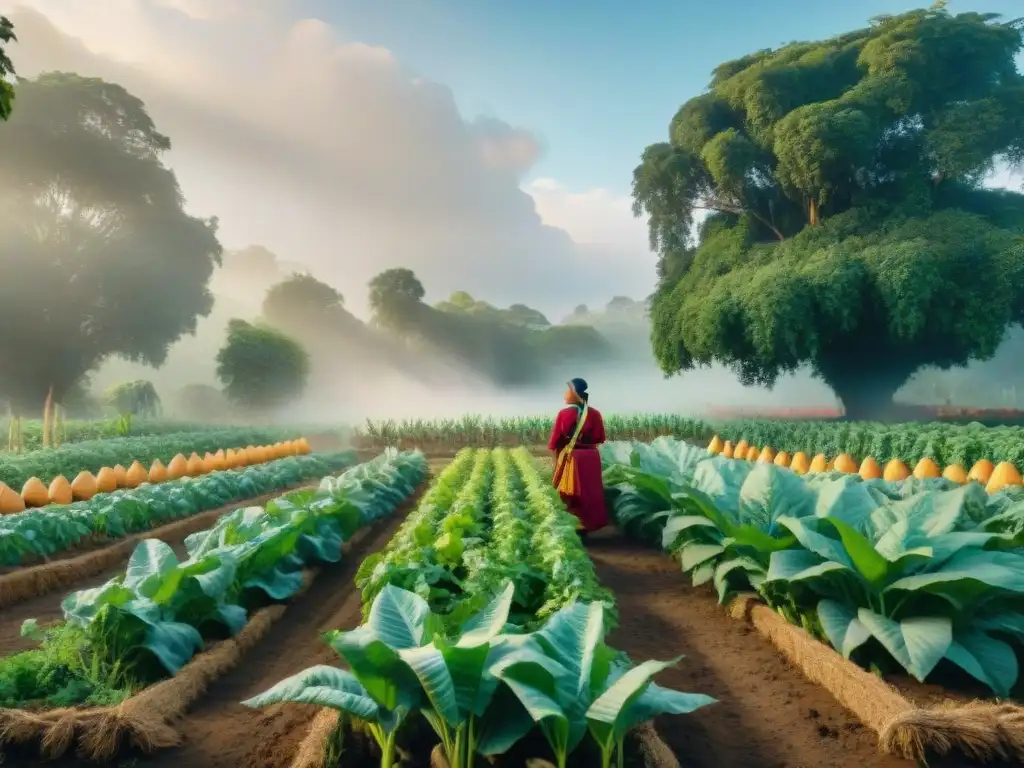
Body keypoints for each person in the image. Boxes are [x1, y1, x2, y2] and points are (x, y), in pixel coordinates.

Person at [548, 377, 609, 536]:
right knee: (589, 493)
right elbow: (600, 438)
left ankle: (575, 528)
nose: (565, 393)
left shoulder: (564, 414)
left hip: (573, 458)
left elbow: (555, 442)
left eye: (568, 390)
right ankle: (586, 527)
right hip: (591, 459)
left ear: (575, 393)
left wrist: (556, 465)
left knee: (570, 494)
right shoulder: (595, 414)